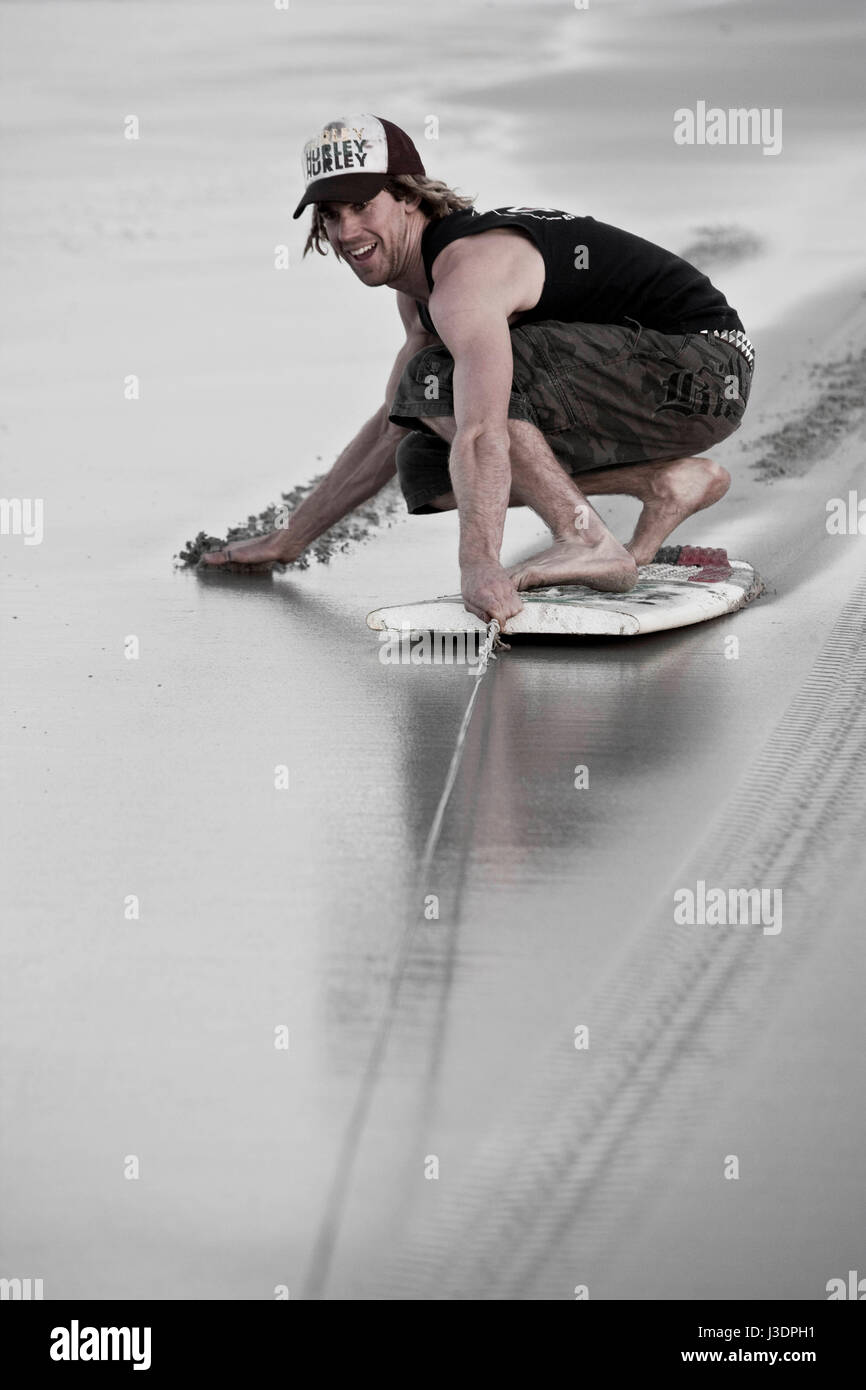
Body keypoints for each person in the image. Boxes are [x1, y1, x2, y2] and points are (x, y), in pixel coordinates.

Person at [201, 114, 754, 625]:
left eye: (363, 206)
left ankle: (583, 538)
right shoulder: (424, 293)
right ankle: (664, 482)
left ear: (410, 198)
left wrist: (478, 564)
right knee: (422, 459)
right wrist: (291, 538)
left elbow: (484, 426)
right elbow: (393, 423)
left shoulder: (466, 273)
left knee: (439, 382)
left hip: (703, 367)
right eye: (331, 215)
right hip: (664, 386)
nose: (346, 233)